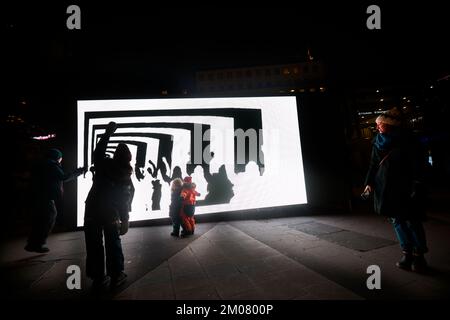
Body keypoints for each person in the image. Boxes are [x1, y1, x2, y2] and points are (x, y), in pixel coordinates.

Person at [364, 108, 428, 273]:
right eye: (377, 125)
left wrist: (417, 184)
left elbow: (417, 164)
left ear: (389, 125)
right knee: (397, 221)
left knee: (412, 221)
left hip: (405, 187)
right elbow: (373, 164)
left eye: (380, 124)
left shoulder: (408, 141)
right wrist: (369, 183)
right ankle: (406, 253)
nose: (377, 127)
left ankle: (419, 255)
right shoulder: (378, 141)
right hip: (385, 187)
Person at [84, 122, 135, 289]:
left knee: (94, 245)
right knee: (113, 243)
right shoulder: (125, 175)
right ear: (128, 158)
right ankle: (116, 275)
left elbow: (97, 152)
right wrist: (125, 219)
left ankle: (98, 278)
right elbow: (124, 200)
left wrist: (107, 134)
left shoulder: (103, 164)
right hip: (110, 214)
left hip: (91, 210)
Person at [25, 148, 86, 253]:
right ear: (57, 157)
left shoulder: (42, 164)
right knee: (49, 217)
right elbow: (63, 177)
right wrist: (79, 171)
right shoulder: (51, 165)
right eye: (60, 158)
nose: (61, 160)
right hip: (45, 197)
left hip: (38, 196)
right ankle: (38, 244)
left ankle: (32, 243)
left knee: (40, 219)